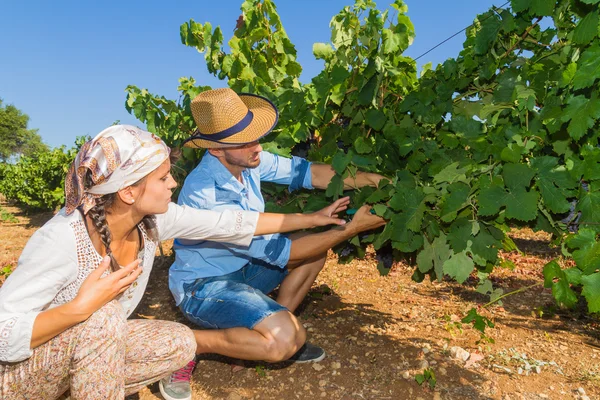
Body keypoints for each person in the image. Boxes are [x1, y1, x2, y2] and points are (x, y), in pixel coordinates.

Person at [0, 125, 347, 400]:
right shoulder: (61, 239)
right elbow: (3, 334)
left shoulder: (152, 223)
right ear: (128, 192)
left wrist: (312, 219)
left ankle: (90, 383)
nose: (174, 183)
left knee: (180, 342)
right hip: (20, 380)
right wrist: (77, 309)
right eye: (163, 178)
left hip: (80, 353)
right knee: (102, 317)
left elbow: (231, 223)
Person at [163, 88, 387, 399]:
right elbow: (285, 253)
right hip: (204, 287)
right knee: (284, 341)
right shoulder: (205, 193)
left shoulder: (248, 159)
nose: (258, 146)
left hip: (246, 270)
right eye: (246, 141)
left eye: (256, 136)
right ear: (216, 150)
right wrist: (352, 228)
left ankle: (253, 335)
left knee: (315, 250)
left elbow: (312, 174)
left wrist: (373, 180)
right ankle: (187, 343)